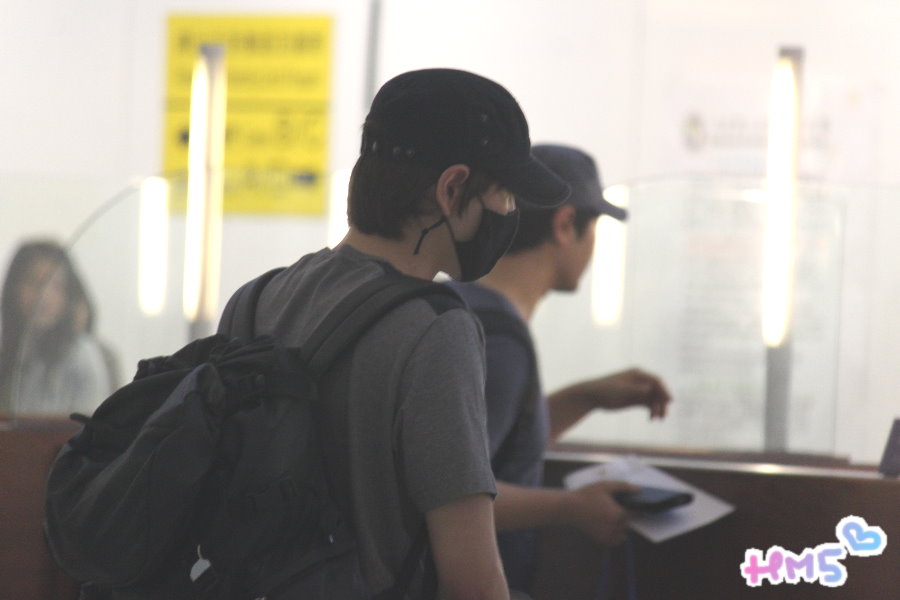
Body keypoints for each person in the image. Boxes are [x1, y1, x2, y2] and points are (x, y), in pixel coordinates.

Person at [238, 69, 570, 599]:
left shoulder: (256, 300)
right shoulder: (437, 330)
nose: (509, 213)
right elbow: (473, 584)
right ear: (452, 189)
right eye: (506, 194)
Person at [449, 143, 673, 596]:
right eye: (596, 229)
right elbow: (452, 494)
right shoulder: (499, 341)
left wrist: (586, 398)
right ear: (566, 224)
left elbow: (492, 448)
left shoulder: (459, 305)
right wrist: (571, 508)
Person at [0, 240, 118, 416]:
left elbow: (85, 426)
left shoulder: (81, 355)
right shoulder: (10, 351)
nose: (44, 295)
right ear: (14, 288)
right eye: (33, 282)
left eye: (56, 285)